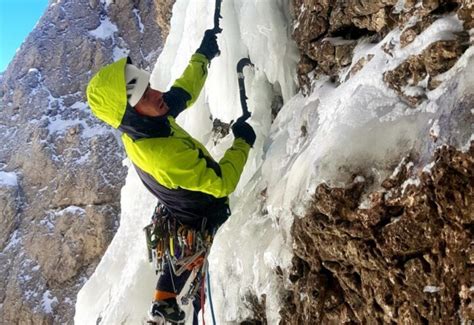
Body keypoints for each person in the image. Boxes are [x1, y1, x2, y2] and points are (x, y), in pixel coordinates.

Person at [86, 29, 256, 324]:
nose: (157, 94)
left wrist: (203, 55)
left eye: (149, 86)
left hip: (177, 204)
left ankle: (163, 303)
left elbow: (181, 93)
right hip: (202, 209)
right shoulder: (162, 153)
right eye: (145, 95)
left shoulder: (144, 122)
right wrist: (243, 142)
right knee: (197, 249)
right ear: (131, 114)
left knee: (183, 246)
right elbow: (221, 183)